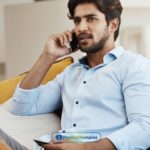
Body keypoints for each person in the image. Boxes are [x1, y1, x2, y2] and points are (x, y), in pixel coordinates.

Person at [1, 0, 150, 149]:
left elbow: (145, 128)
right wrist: (48, 56)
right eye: (77, 21)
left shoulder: (134, 66)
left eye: (91, 19)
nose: (81, 28)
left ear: (113, 25)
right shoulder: (70, 73)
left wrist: (84, 148)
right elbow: (20, 107)